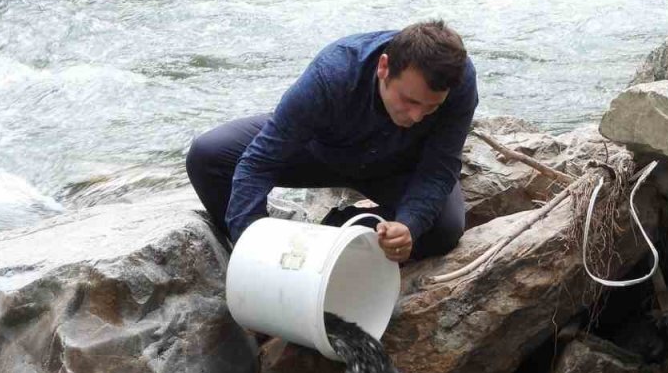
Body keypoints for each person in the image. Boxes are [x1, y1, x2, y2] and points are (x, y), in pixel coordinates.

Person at [186, 20, 477, 263]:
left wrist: (407, 225)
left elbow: (439, 168)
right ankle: (259, 243)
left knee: (444, 229)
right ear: (384, 68)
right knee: (207, 156)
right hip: (320, 152)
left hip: (399, 167)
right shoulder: (334, 72)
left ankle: (338, 231)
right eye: (409, 100)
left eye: (430, 108)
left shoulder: (459, 81)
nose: (416, 115)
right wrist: (257, 250)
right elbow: (260, 162)